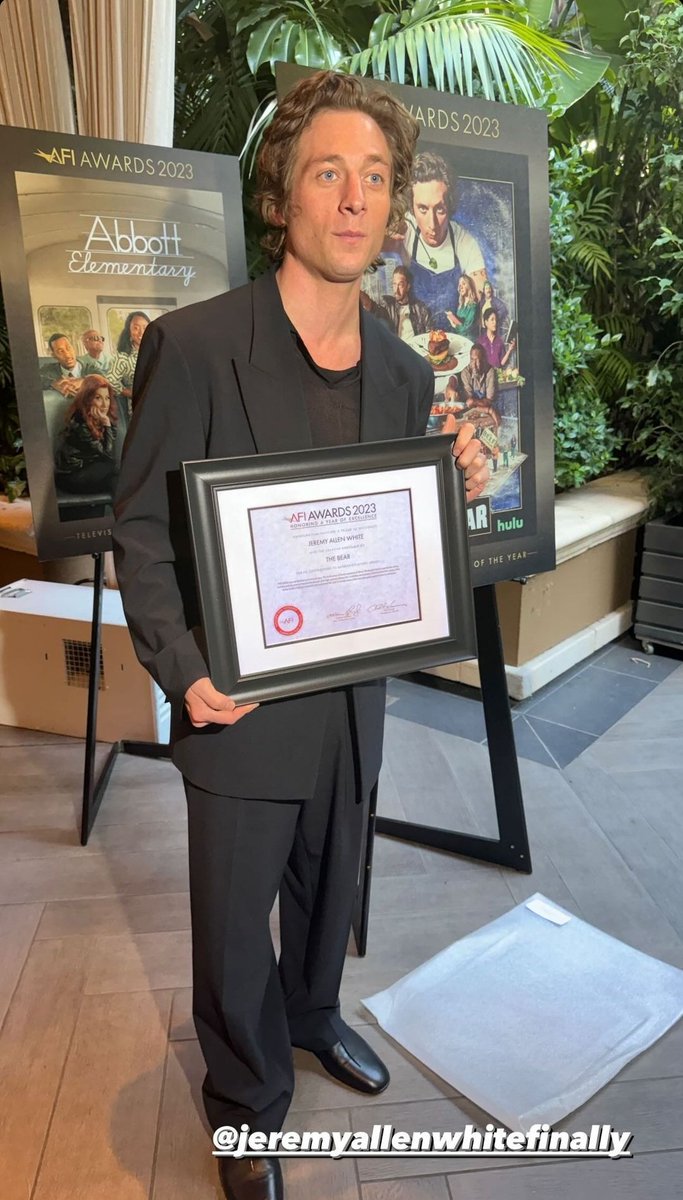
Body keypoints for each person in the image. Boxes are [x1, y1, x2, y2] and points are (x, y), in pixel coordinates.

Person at [113, 70, 487, 1200]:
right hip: (241, 702)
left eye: (375, 176)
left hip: (352, 697)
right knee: (234, 932)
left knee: (332, 887)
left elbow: (385, 552)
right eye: (328, 171)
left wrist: (448, 498)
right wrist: (183, 674)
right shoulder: (195, 345)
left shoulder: (403, 369)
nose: (354, 198)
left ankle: (315, 1016)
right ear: (281, 192)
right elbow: (139, 529)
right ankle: (243, 1109)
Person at [390, 151, 486, 327]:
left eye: (440, 209)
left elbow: (484, 297)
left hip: (453, 339)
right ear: (411, 207)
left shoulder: (465, 243)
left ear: (450, 205)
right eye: (423, 209)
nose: (432, 224)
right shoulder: (404, 228)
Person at [54, 374, 119, 494]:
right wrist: (107, 424)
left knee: (116, 480)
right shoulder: (80, 422)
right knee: (114, 468)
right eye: (98, 398)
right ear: (88, 399)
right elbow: (106, 452)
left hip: (90, 469)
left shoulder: (104, 418)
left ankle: (125, 509)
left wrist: (107, 424)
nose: (105, 404)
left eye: (107, 398)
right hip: (71, 475)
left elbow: (107, 451)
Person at [360, 263, 433, 338]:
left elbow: (430, 335)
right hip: (395, 348)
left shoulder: (421, 309)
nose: (396, 290)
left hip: (414, 348)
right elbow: (369, 305)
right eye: (394, 284)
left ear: (408, 287)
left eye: (400, 285)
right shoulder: (388, 306)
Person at [108, 310, 150, 412]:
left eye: (145, 328)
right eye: (136, 328)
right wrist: (132, 393)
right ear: (129, 332)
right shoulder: (123, 357)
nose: (141, 332)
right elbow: (110, 381)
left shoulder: (157, 352)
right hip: (138, 409)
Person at [446, 272, 479, 340]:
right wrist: (451, 318)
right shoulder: (461, 305)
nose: (460, 287)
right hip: (459, 338)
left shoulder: (473, 306)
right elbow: (459, 322)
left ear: (469, 286)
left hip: (469, 341)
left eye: (463, 284)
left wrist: (454, 325)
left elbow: (466, 329)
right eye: (459, 284)